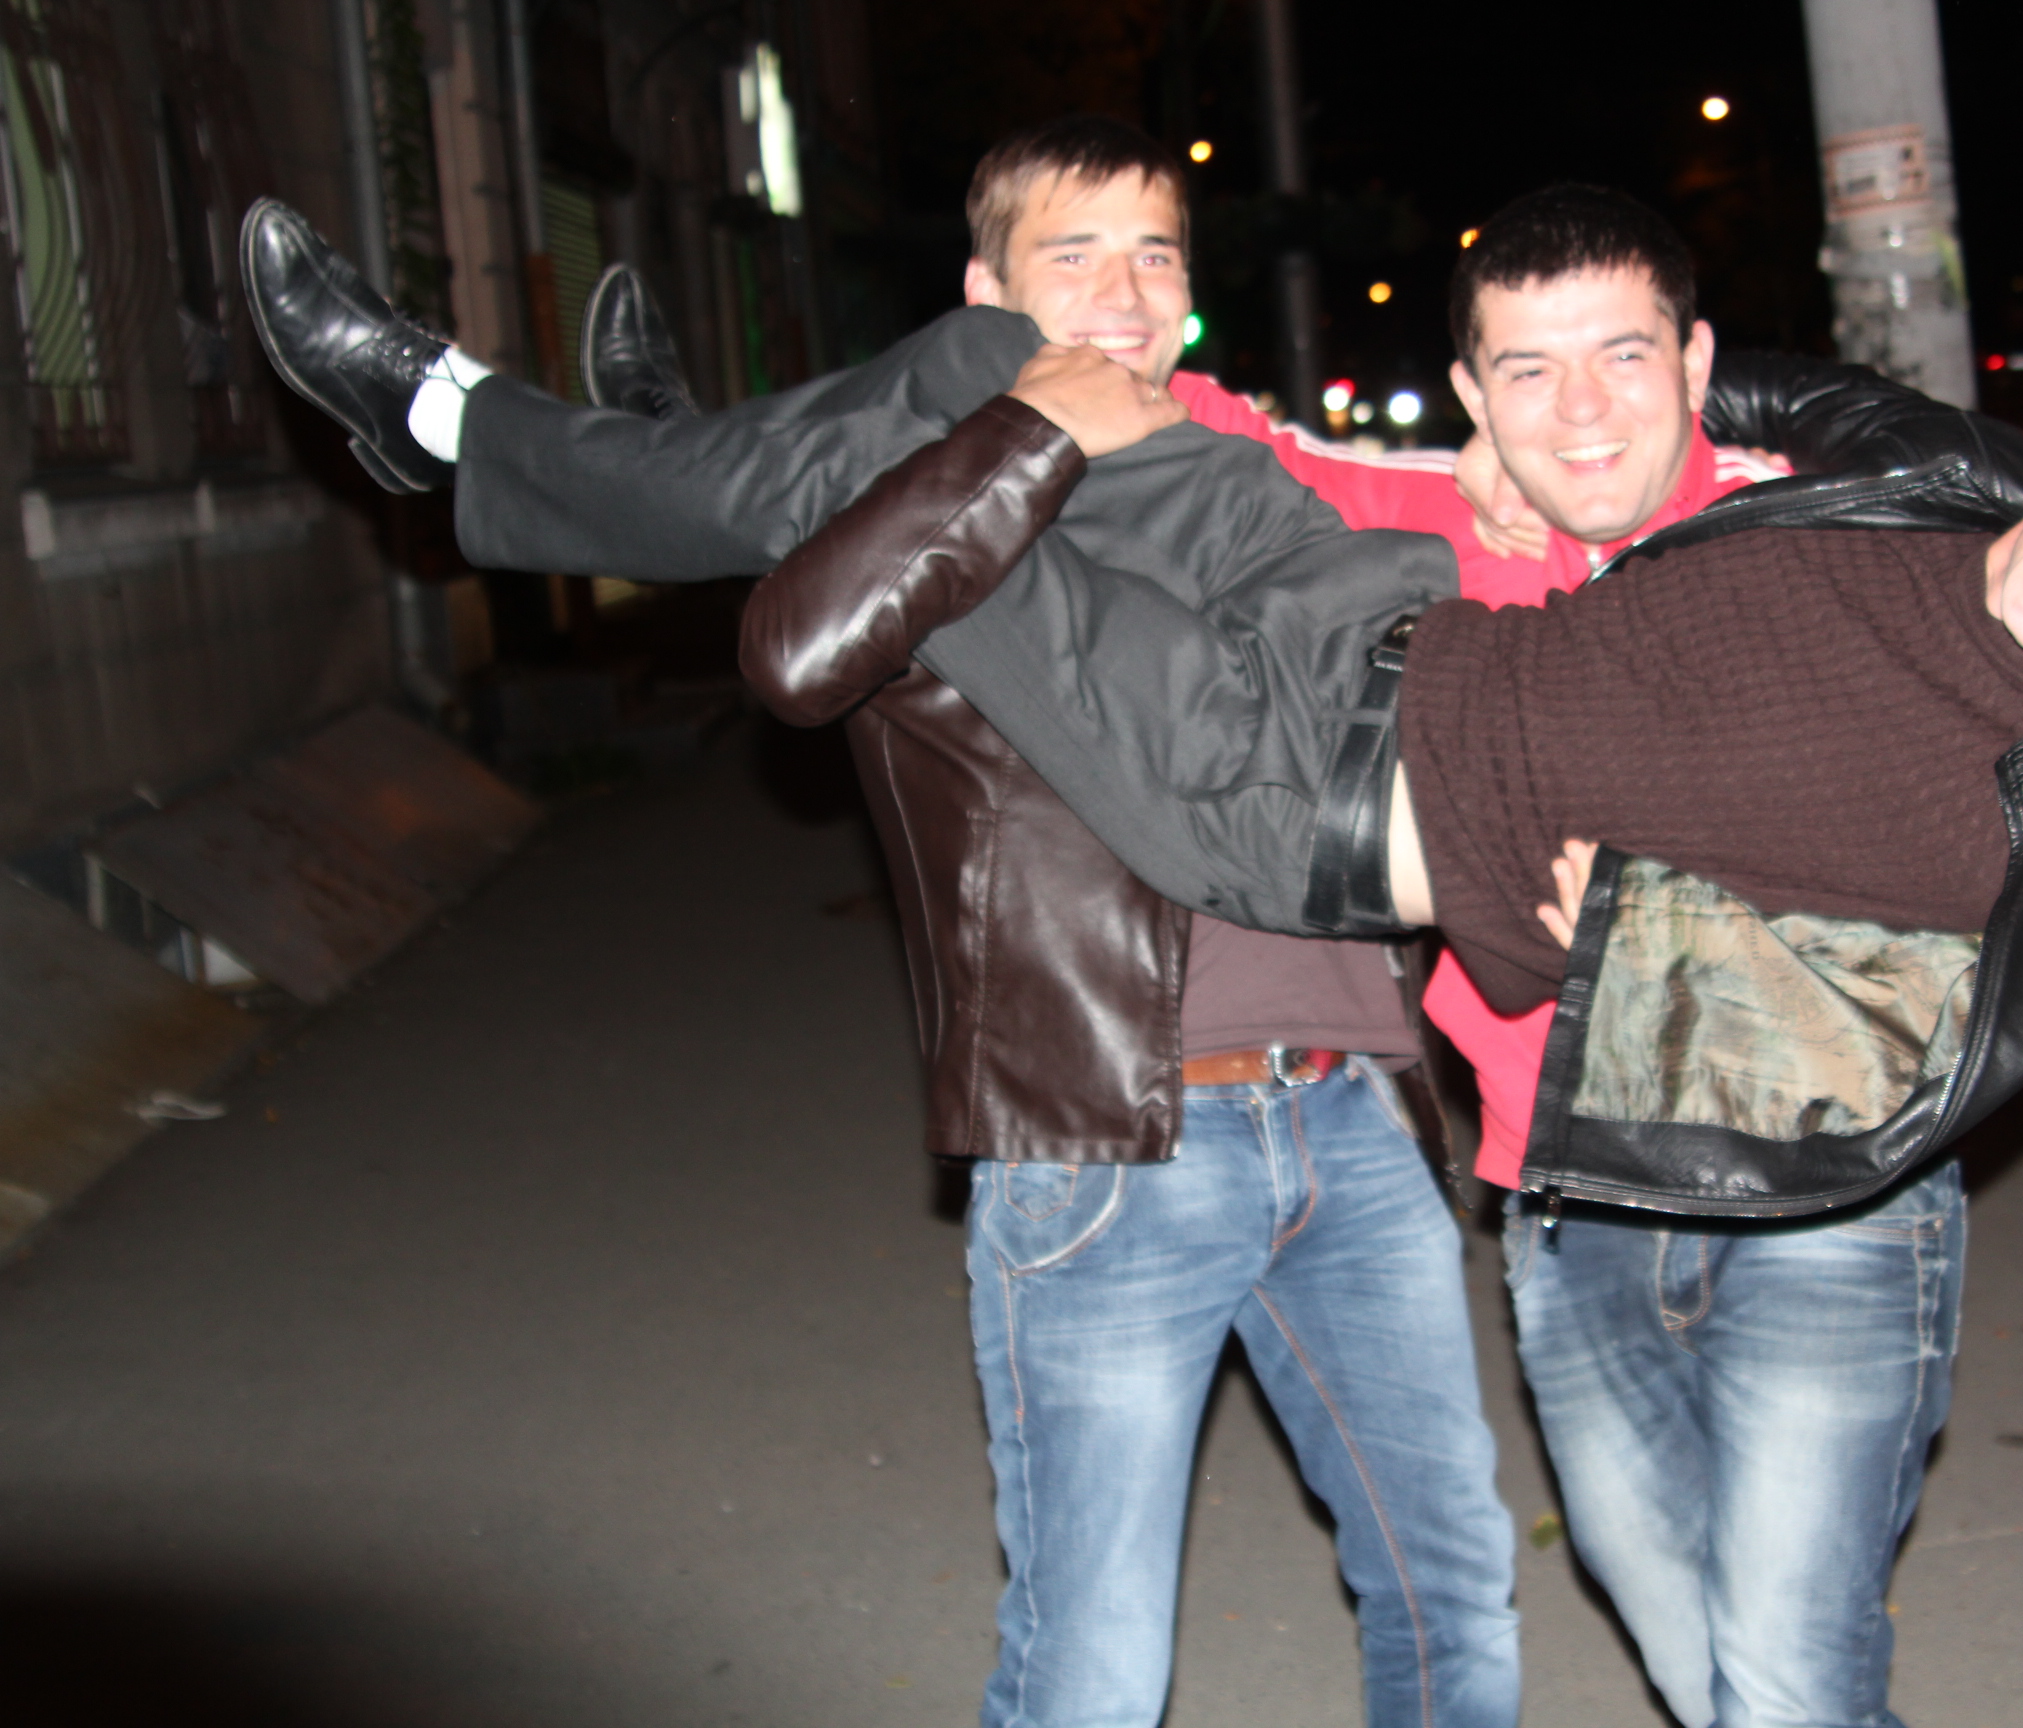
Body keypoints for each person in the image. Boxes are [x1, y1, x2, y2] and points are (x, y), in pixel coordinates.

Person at [736, 308, 2023, 1728]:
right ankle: (582, 457)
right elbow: (1741, 377)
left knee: (1783, 1684)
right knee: (1677, 1633)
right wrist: (1550, 448)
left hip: (1832, 1234)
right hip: (1586, 1197)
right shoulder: (1928, 470)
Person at [240, 121, 1520, 1728]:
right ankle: (497, 425)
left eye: (1158, 257)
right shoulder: (967, 487)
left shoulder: (1229, 459)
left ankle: (544, 438)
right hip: (1116, 1150)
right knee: (1092, 1670)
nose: (1127, 295)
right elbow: (802, 643)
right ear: (994, 280)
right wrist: (1031, 429)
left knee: (1451, 1588)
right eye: (1076, 258)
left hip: (1350, 1130)